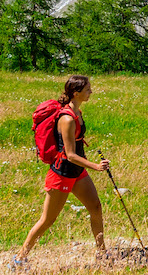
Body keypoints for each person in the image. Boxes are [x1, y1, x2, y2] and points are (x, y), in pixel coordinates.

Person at [14, 75, 110, 265]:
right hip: (62, 174)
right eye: (88, 89)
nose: (91, 92)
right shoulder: (66, 118)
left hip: (77, 173)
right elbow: (70, 154)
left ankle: (102, 253)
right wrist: (96, 167)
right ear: (76, 93)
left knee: (96, 208)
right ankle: (19, 259)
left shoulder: (78, 113)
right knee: (47, 221)